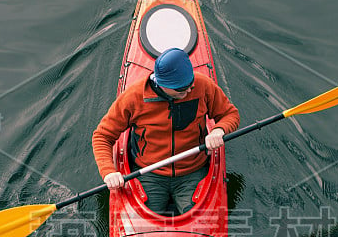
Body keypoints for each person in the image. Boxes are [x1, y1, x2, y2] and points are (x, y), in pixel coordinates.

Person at [92, 48, 240, 215]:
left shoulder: (202, 85)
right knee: (144, 224)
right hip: (149, 172)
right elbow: (102, 136)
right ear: (162, 84)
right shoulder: (133, 97)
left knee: (199, 217)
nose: (190, 89)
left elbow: (230, 114)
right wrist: (109, 172)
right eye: (182, 89)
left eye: (191, 83)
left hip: (193, 170)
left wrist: (219, 130)